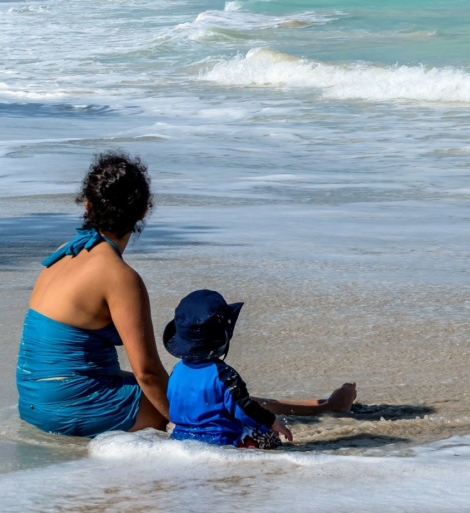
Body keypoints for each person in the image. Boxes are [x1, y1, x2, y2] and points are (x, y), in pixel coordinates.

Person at [16, 151, 169, 437]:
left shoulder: (64, 254)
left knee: (188, 392)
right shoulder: (118, 276)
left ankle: (275, 407)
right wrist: (184, 420)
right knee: (203, 406)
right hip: (68, 407)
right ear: (143, 211)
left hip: (32, 400)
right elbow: (147, 372)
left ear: (88, 206)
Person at [164, 289, 357, 448]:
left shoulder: (177, 371)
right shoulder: (224, 375)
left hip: (182, 439)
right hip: (222, 443)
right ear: (224, 336)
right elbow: (244, 409)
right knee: (267, 435)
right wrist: (272, 422)